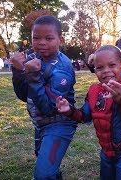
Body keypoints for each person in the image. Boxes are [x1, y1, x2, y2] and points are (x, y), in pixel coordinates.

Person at [57, 45, 121, 179]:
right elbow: (84, 116)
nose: (106, 71)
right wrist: (69, 110)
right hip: (106, 152)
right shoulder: (93, 91)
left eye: (111, 65)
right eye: (100, 67)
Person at [10, 15, 77, 179]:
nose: (41, 42)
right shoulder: (34, 58)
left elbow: (48, 108)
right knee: (47, 166)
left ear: (60, 40)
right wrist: (18, 71)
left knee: (43, 175)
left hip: (59, 123)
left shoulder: (63, 68)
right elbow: (24, 95)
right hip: (41, 124)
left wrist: (32, 75)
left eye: (48, 38)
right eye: (36, 38)